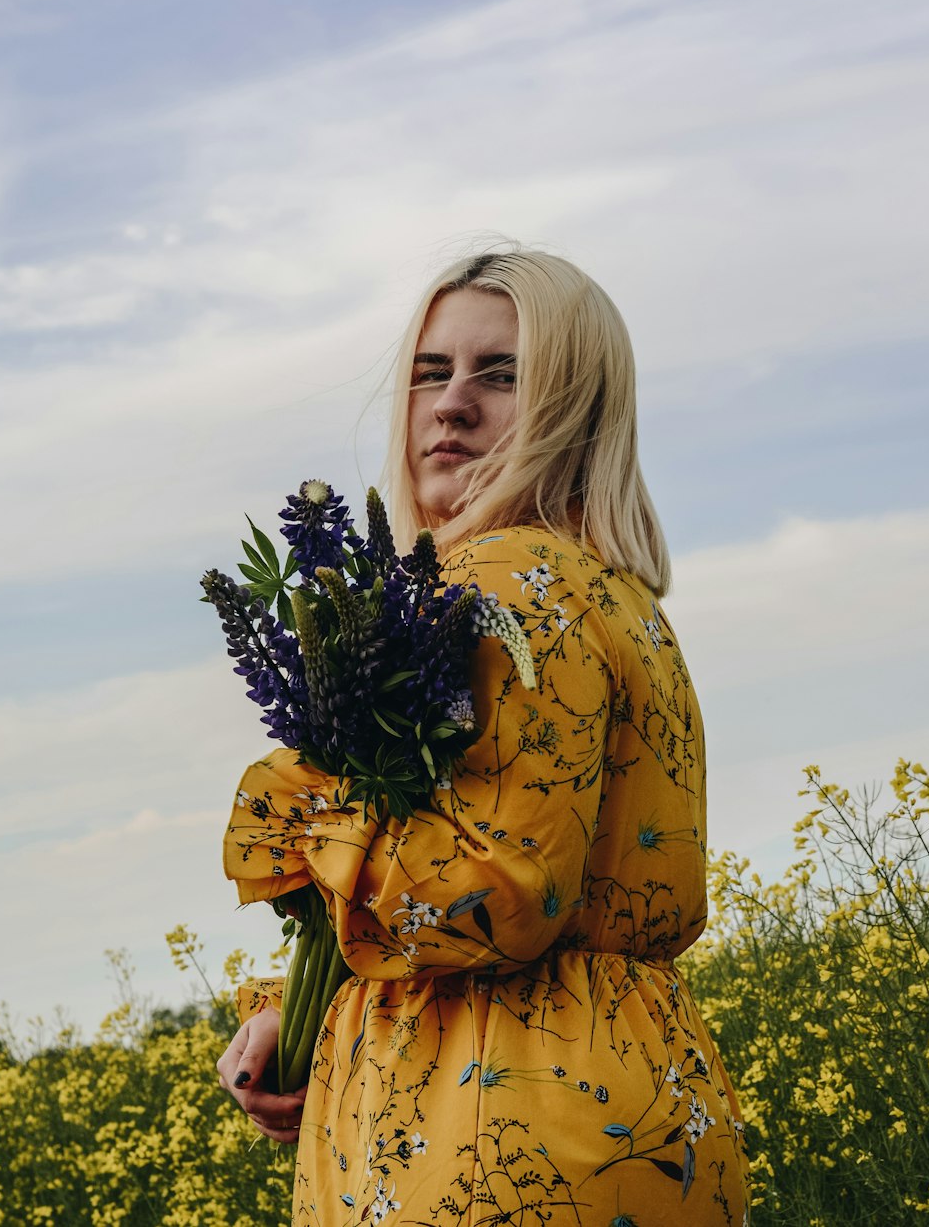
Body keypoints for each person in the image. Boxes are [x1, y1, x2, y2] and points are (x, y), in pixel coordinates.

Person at [217, 248, 751, 1226]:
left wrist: (308, 819)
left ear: (573, 405)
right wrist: (283, 1009)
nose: (450, 404)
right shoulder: (613, 596)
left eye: (500, 374)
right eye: (431, 371)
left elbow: (501, 892)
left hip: (488, 1119)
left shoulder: (500, 584)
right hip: (630, 1082)